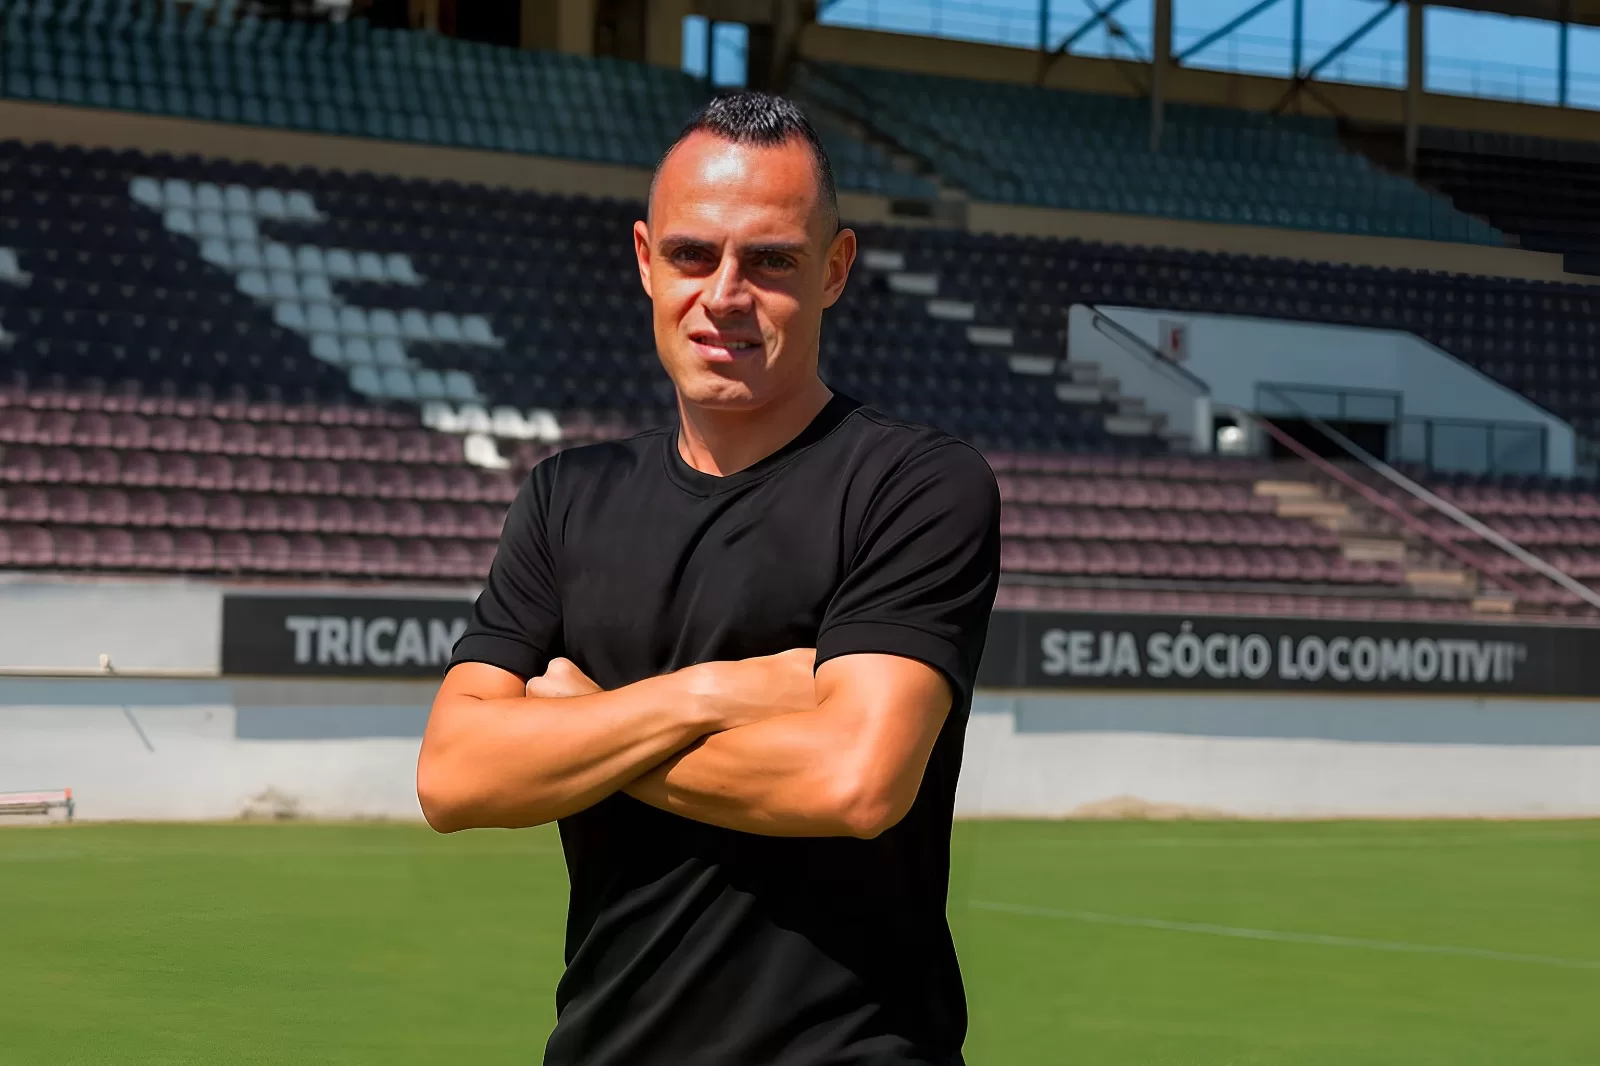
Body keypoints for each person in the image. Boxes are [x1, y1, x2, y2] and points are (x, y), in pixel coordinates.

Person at [417, 91, 1001, 1066]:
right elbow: (454, 775)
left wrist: (584, 728)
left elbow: (851, 782)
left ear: (834, 269)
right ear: (646, 260)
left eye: (770, 260)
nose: (725, 294)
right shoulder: (566, 497)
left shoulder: (916, 485)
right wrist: (711, 693)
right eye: (693, 254)